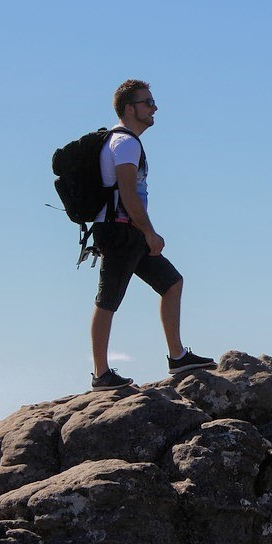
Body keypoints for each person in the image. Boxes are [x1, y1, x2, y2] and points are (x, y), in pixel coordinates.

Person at [89, 79, 214, 391]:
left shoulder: (125, 142)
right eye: (147, 102)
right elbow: (129, 193)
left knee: (171, 282)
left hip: (126, 230)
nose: (154, 108)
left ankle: (177, 356)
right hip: (121, 231)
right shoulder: (126, 143)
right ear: (130, 109)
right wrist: (150, 232)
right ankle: (101, 374)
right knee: (108, 300)